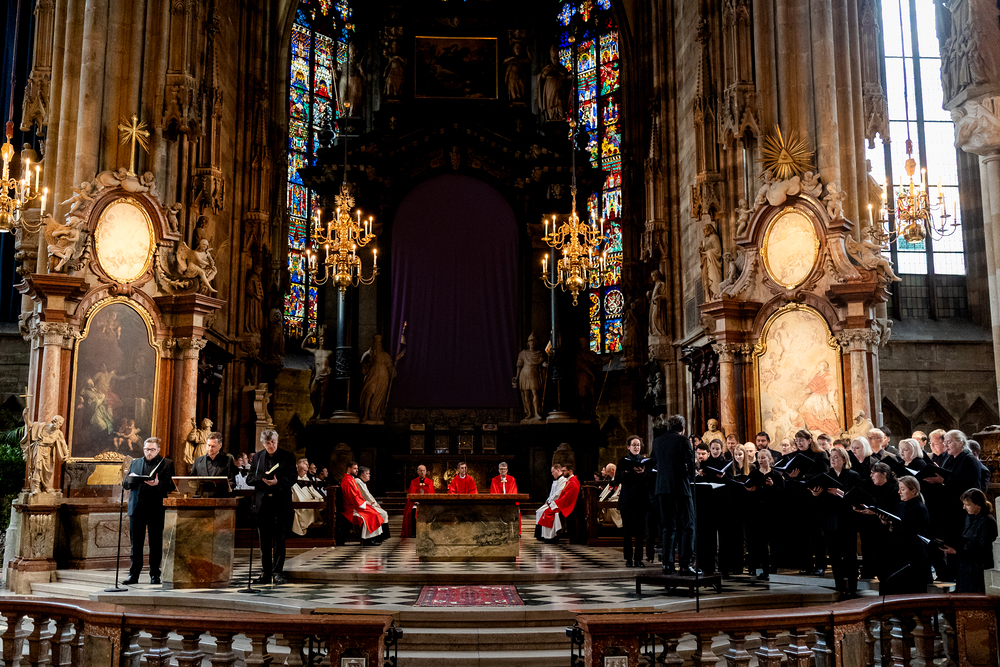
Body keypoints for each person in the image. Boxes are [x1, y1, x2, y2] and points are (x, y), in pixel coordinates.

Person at [121, 437, 176, 585]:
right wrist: (129, 480)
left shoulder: (166, 463)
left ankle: (155, 574)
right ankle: (134, 575)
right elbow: (125, 484)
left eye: (152, 449)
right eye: (146, 449)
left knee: (155, 542)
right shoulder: (135, 463)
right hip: (136, 507)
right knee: (136, 544)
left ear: (158, 450)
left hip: (155, 507)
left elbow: (172, 484)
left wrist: (159, 483)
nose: (149, 452)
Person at [247, 429, 296, 584]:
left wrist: (277, 482)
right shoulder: (257, 457)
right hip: (263, 504)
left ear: (277, 440)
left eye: (273, 442)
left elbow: (293, 477)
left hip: (281, 502)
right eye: (268, 443)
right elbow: (249, 479)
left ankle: (277, 572)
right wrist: (262, 479)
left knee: (279, 539)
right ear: (263, 443)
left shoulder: (288, 456)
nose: (271, 445)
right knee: (264, 540)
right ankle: (266, 572)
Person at [651, 414, 699, 576]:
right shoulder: (683, 441)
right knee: (688, 525)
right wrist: (691, 475)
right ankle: (685, 564)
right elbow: (690, 463)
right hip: (680, 488)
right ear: (683, 428)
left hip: (662, 489)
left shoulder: (657, 441)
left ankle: (667, 564)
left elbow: (653, 461)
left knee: (668, 527)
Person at [815, 447, 862, 597]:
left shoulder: (853, 476)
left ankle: (852, 588)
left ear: (844, 460)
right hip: (830, 521)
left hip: (847, 521)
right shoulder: (825, 476)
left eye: (836, 457)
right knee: (834, 556)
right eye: (831, 457)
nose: (833, 460)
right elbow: (821, 502)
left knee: (850, 556)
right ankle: (839, 587)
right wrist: (815, 495)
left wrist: (842, 494)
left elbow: (857, 498)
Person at [879, 475, 931, 595]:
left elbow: (914, 531)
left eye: (903, 489)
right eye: (899, 489)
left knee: (910, 589)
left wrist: (897, 524)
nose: (899, 492)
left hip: (913, 553)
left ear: (913, 490)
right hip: (898, 550)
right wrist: (886, 523)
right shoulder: (899, 506)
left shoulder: (920, 508)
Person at [941, 488, 998, 593]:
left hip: (978, 571)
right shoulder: (969, 517)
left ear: (978, 505)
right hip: (965, 568)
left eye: (967, 505)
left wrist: (957, 551)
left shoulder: (988, 522)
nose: (964, 507)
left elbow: (983, 550)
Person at [745, 449, 784, 580]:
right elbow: (748, 489)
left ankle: (774, 567)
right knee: (761, 542)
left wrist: (773, 486)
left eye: (763, 458)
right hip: (758, 512)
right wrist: (750, 490)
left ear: (769, 459)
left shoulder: (776, 475)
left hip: (772, 512)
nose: (761, 460)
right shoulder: (754, 474)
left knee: (773, 542)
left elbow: (783, 494)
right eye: (759, 458)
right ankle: (764, 569)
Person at [614, 435, 650, 568]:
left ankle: (639, 559)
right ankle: (628, 559)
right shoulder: (623, 461)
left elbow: (650, 478)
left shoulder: (645, 461)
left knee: (640, 531)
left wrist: (643, 473)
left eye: (638, 445)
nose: (636, 447)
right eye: (634, 445)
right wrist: (627, 472)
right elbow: (617, 479)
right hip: (627, 498)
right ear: (628, 447)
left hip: (641, 499)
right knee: (627, 531)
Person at [340, 462, 385, 545]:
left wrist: (365, 502)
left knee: (374, 512)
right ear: (349, 469)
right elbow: (353, 497)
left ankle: (372, 538)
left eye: (357, 468)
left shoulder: (351, 479)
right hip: (351, 508)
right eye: (354, 468)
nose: (357, 470)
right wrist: (364, 503)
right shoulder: (348, 481)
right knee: (372, 514)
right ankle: (367, 540)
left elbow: (357, 496)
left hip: (356, 505)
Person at [537, 464, 581, 543]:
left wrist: (555, 504)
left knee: (548, 512)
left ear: (570, 471)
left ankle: (551, 537)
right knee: (546, 511)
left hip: (567, 506)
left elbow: (567, 498)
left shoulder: (573, 483)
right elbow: (563, 496)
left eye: (564, 471)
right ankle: (547, 536)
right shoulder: (569, 481)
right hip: (562, 503)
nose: (562, 472)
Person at [190, 431, 237, 496]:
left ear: (220, 445)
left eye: (213, 446)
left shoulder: (227, 460)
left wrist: (223, 486)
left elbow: (232, 482)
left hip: (220, 498)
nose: (210, 448)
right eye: (208, 445)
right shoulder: (198, 461)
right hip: (202, 498)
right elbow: (191, 481)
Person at [291, 458, 325, 536]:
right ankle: (307, 526)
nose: (306, 472)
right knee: (308, 508)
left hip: (308, 499)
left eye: (306, 470)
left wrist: (320, 497)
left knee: (319, 502)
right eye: (304, 470)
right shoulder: (294, 479)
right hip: (300, 503)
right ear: (297, 469)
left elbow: (311, 490)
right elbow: (297, 496)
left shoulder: (305, 478)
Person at [356, 466, 390, 540]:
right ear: (362, 475)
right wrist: (374, 504)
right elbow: (366, 495)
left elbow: (368, 495)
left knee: (383, 513)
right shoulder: (358, 481)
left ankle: (382, 536)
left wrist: (375, 503)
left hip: (367, 503)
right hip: (363, 505)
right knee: (382, 513)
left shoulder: (361, 482)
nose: (369, 475)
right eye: (367, 473)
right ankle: (379, 536)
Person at [403, 465, 435, 538]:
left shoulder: (429, 482)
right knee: (413, 512)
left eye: (424, 470)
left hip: (426, 504)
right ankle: (414, 533)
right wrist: (415, 502)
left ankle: (426, 533)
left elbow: (432, 495)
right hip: (415, 504)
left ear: (426, 471)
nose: (422, 472)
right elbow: (411, 495)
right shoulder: (413, 482)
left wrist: (425, 502)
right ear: (417, 472)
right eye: (420, 470)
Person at [535, 464, 566, 540]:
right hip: (551, 502)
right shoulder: (556, 480)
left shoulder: (563, 480)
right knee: (538, 511)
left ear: (558, 470)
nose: (552, 474)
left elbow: (558, 493)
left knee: (543, 512)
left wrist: (550, 501)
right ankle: (540, 535)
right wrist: (548, 500)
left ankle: (549, 536)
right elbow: (551, 493)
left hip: (556, 503)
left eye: (553, 472)